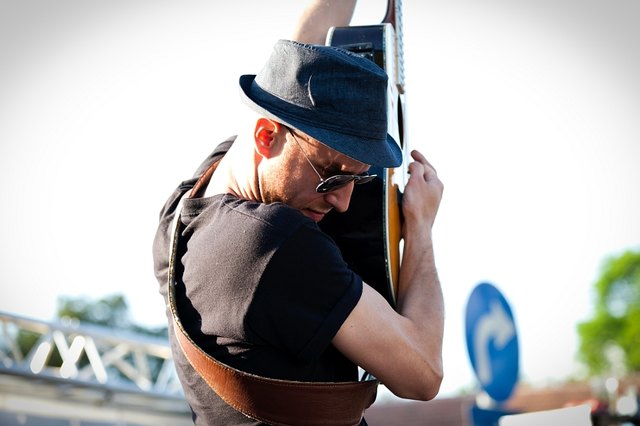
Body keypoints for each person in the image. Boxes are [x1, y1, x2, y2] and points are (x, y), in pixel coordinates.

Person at [152, 1, 444, 424]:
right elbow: (424, 373)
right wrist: (420, 227)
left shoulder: (188, 202)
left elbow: (297, 64)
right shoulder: (272, 243)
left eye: (359, 180)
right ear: (266, 135)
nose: (343, 201)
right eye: (331, 176)